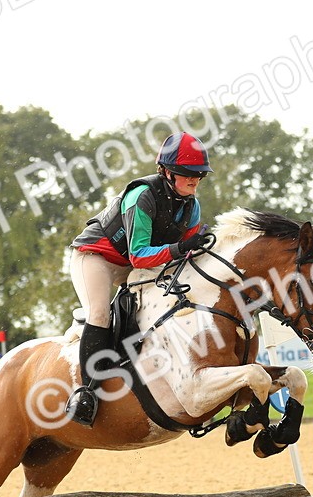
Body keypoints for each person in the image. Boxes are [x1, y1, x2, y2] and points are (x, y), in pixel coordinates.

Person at [64, 131, 214, 426]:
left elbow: (180, 259)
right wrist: (181, 248)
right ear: (167, 172)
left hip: (135, 269)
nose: (194, 179)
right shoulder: (142, 196)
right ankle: (86, 393)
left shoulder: (191, 207)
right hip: (97, 259)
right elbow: (140, 256)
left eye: (199, 174)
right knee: (100, 312)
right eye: (187, 173)